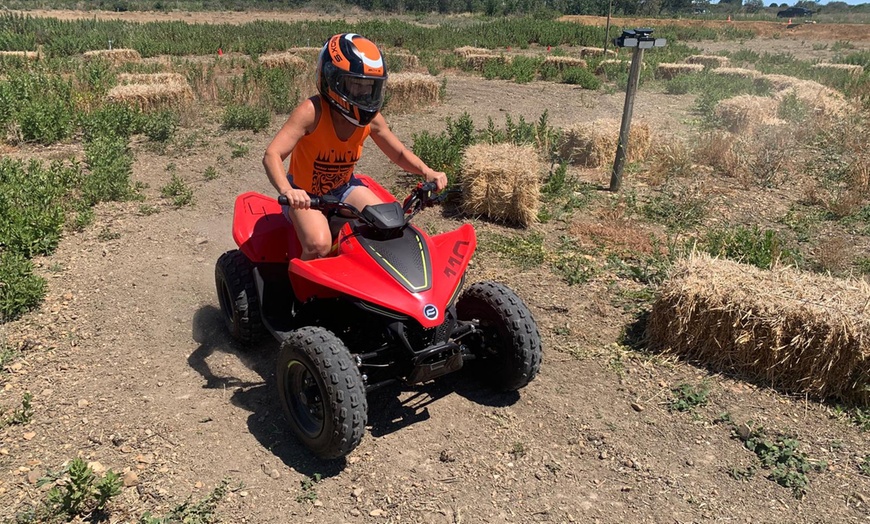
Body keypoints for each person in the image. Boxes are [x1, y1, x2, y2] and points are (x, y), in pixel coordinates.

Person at [263, 33, 448, 260]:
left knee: (385, 225)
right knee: (318, 245)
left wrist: (427, 171)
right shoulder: (312, 112)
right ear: (332, 80)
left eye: (369, 87)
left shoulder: (371, 120)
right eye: (355, 85)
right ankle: (300, 294)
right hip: (305, 194)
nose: (363, 94)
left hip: (344, 189)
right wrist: (288, 191)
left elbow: (398, 153)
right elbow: (272, 154)